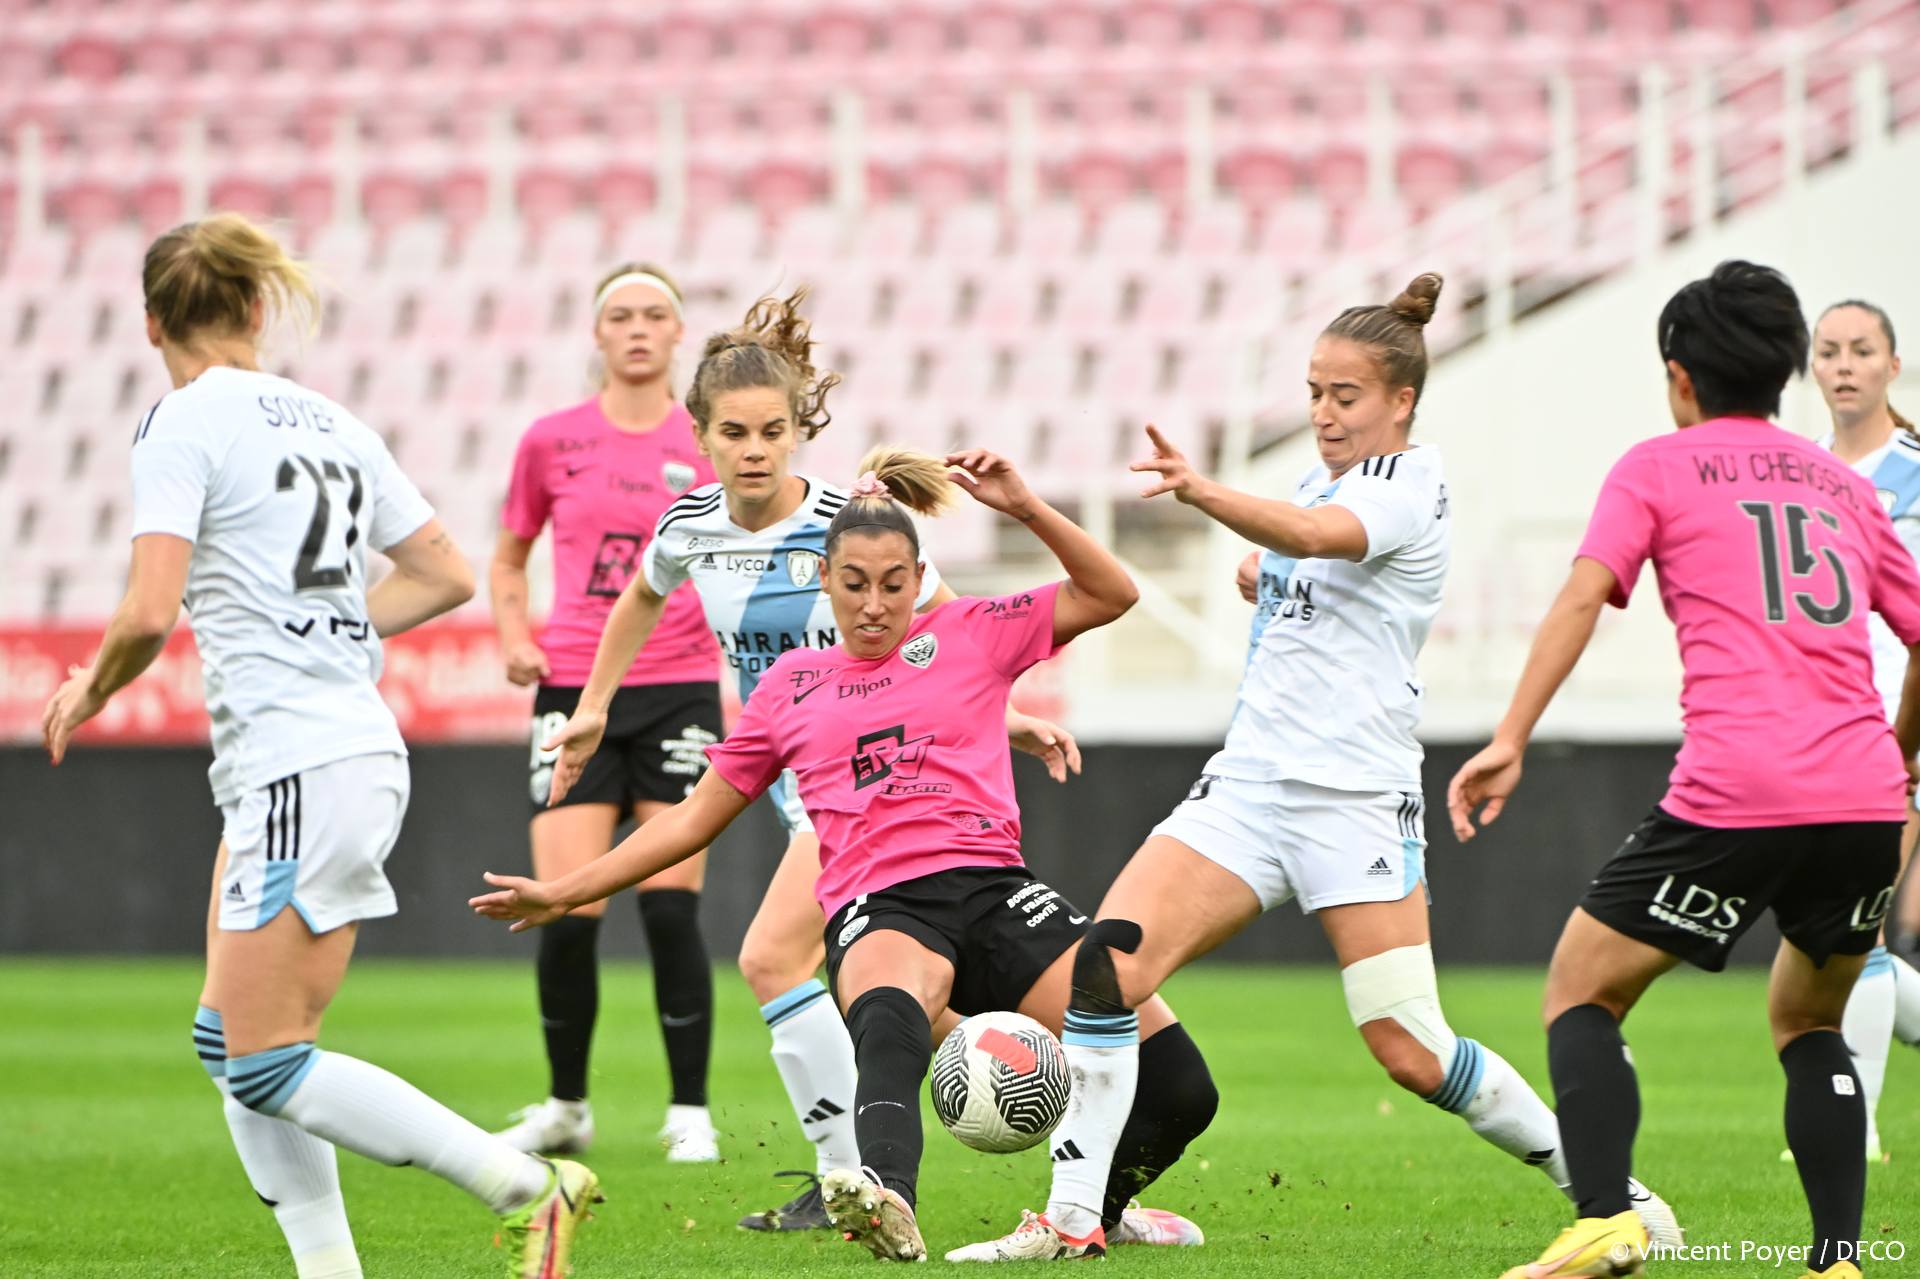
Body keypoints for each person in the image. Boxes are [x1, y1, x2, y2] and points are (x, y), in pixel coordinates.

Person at [954, 273, 1680, 1265]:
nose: (1324, 412)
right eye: (1313, 392)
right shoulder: (1317, 482)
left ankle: (1608, 1190)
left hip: (1354, 802)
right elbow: (1304, 555)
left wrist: (1206, 494)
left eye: (1345, 395)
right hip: (1250, 789)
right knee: (1105, 970)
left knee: (1410, 1047)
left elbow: (1314, 538)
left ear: (1401, 401)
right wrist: (1266, 573)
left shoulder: (1409, 485)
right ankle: (1072, 1219)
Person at [474, 448, 1217, 1263]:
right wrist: (566, 890)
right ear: (823, 577)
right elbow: (692, 819)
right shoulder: (790, 684)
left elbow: (1113, 592)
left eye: (894, 584)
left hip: (998, 892)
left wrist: (1027, 507)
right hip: (883, 904)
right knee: (891, 1013)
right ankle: (888, 1199)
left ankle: (1089, 1214)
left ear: (919, 578)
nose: (873, 604)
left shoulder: (970, 631)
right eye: (855, 583)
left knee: (1182, 1086)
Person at [40, 212, 598, 1279]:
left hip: (300, 759)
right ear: (257, 308)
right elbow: (445, 572)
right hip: (331, 750)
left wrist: (92, 685)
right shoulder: (333, 420)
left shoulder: (181, 421)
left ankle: (525, 1183)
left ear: (151, 321)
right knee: (229, 1042)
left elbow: (149, 610)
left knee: (265, 1058)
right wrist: (332, 626)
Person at [537, 291, 1084, 1232]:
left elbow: (944, 642)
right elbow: (638, 599)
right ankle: (1026, 1077)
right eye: (734, 433)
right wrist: (592, 706)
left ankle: (850, 1175)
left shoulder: (848, 527)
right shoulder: (687, 525)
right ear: (700, 436)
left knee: (769, 955)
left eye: (773, 432)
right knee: (864, 988)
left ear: (799, 433)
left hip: (860, 780)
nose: (755, 450)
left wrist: (1014, 716)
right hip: (784, 766)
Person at [1448, 261, 1920, 1279]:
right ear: (1789, 370)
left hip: (1737, 788)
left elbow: (1583, 596)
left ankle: (1605, 1220)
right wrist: (1901, 756)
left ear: (1680, 377)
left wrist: (1510, 735)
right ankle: (1838, 1260)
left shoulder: (1657, 467)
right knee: (1811, 1019)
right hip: (1865, 797)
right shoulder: (1846, 485)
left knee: (1581, 991)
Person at [488, 261, 726, 1161]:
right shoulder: (551, 440)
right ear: (597, 333)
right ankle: (566, 1105)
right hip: (573, 689)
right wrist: (514, 634)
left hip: (680, 688)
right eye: (620, 315)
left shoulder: (710, 440)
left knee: (669, 908)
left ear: (677, 332)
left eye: (654, 314)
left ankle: (690, 1111)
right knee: (563, 907)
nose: (636, 329)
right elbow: (508, 557)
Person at [1811, 299, 1920, 1165]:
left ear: (1892, 364)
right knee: (1831, 927)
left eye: (1861, 350)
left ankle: (1859, 1124)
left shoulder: (1916, 471)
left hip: (1903, 724)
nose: (1844, 365)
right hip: (1828, 725)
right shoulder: (1804, 472)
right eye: (1829, 351)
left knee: (1861, 921)